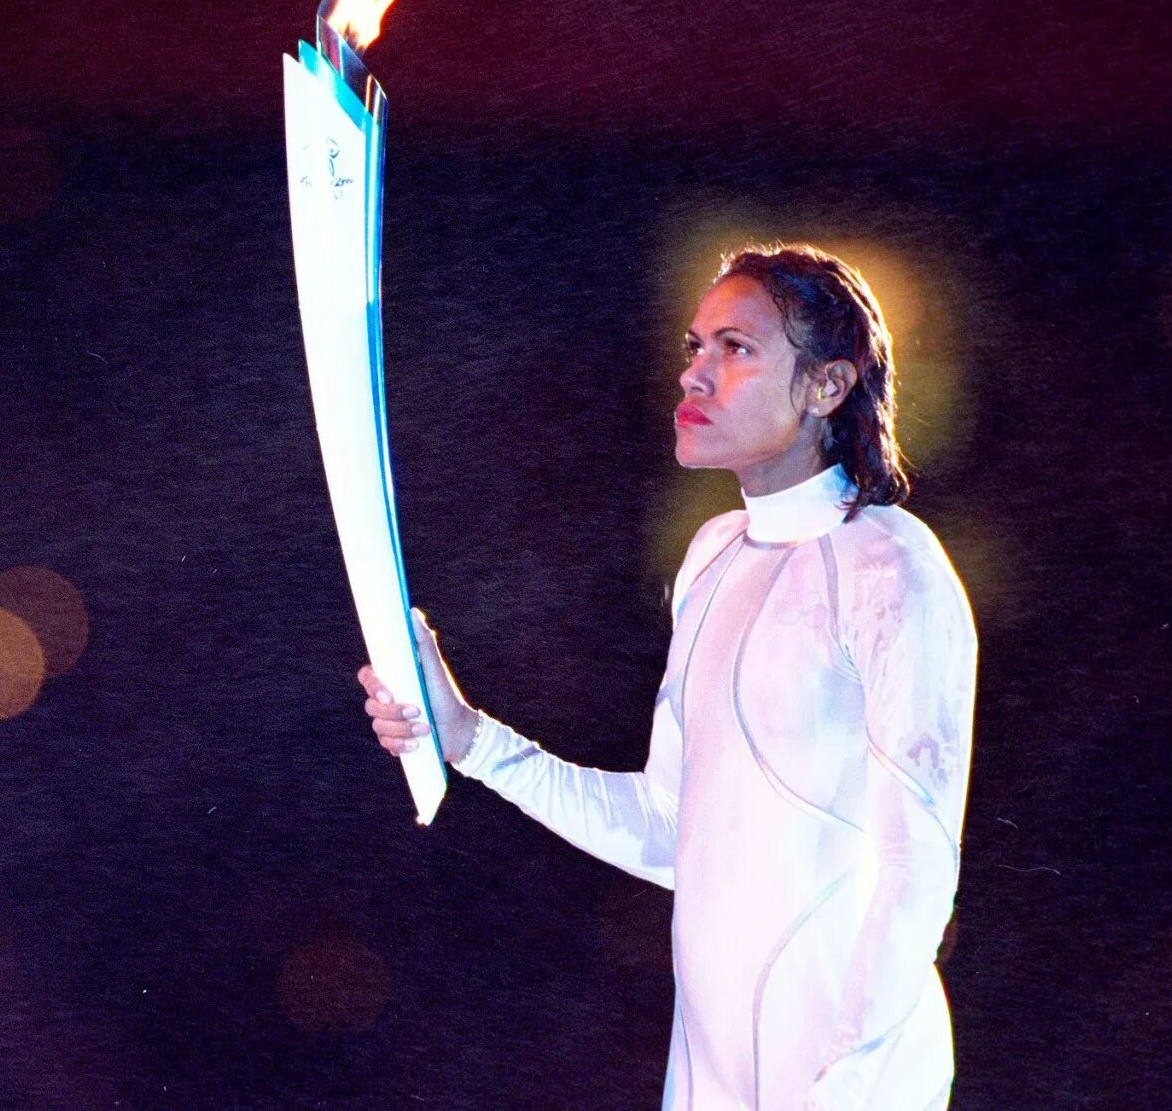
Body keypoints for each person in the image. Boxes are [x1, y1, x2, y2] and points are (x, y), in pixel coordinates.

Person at [360, 244, 976, 1111]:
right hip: (710, 1072)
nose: (694, 376)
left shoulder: (891, 563)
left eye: (736, 348)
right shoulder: (713, 557)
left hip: (853, 1074)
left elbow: (921, 867)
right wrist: (471, 741)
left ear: (827, 387)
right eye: (695, 347)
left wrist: (848, 1086)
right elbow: (667, 830)